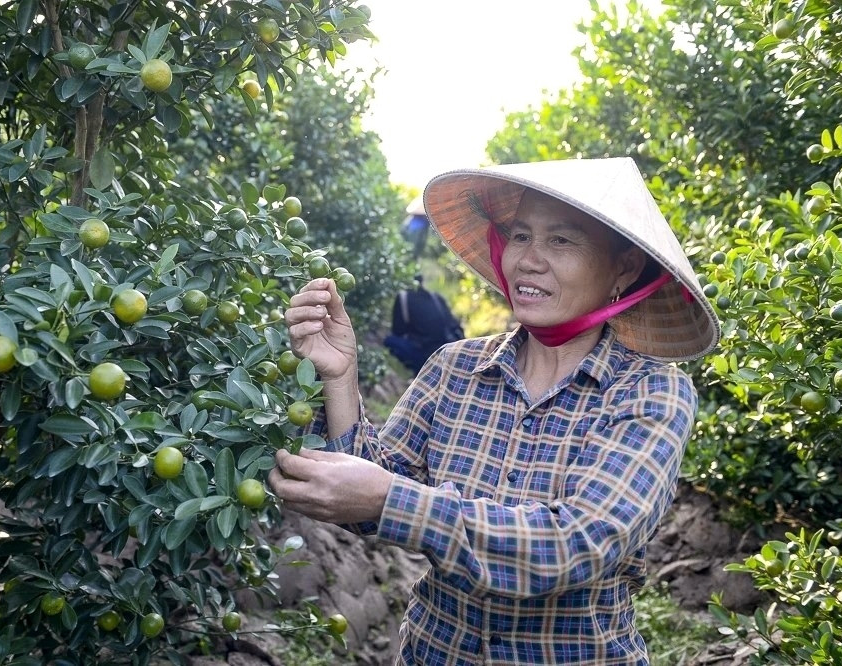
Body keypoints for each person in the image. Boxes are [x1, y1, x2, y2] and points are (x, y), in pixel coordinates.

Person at [269, 158, 720, 665]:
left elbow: (579, 543)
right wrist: (339, 377)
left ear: (623, 268)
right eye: (521, 235)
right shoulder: (454, 368)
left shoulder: (651, 392)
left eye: (562, 241)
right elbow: (369, 502)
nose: (529, 259)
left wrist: (390, 499)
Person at [383, 274, 465, 375]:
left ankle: (418, 370)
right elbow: (454, 325)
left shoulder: (403, 298)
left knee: (389, 340)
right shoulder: (436, 297)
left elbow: (397, 330)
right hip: (448, 349)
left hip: (423, 353)